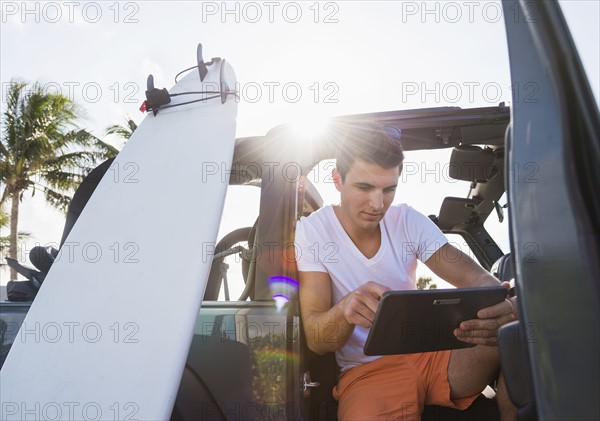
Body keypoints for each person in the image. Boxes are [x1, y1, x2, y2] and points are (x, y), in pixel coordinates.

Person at [294, 124, 517, 420]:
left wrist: (500, 309)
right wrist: (345, 309)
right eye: (365, 187)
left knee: (517, 327)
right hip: (367, 372)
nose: (378, 204)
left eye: (389, 189)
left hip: (433, 355)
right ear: (337, 180)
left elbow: (476, 278)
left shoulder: (408, 220)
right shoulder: (313, 232)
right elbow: (317, 338)